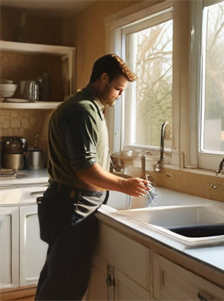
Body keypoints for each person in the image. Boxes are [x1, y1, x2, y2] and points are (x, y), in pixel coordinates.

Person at [35, 54, 150, 301]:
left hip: (68, 204)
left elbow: (89, 163)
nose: (120, 96)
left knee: (57, 278)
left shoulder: (86, 107)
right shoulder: (83, 111)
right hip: (73, 207)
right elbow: (85, 168)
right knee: (65, 286)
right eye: (118, 89)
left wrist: (119, 179)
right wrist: (124, 185)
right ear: (103, 78)